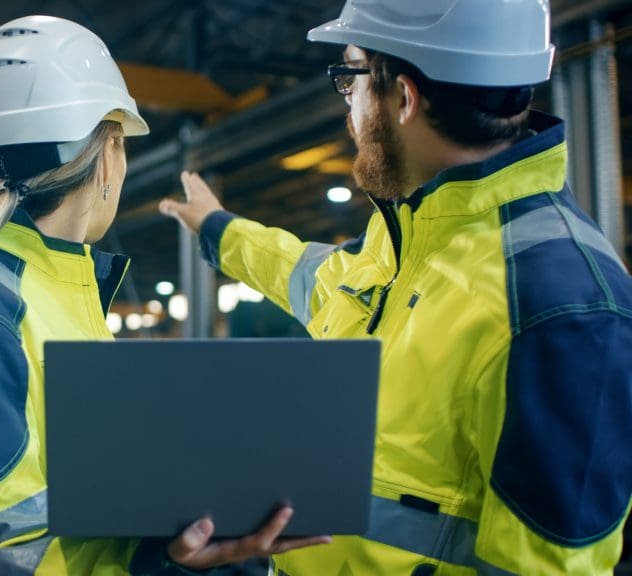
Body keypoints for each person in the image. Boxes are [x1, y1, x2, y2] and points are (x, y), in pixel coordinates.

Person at [0, 15, 329, 576]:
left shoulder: (53, 287)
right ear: (108, 152)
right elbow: (6, 552)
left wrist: (169, 549)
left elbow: (74, 500)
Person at [160, 0, 632, 574]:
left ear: (404, 97)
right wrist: (216, 227)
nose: (349, 104)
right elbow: (308, 275)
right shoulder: (410, 237)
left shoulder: (558, 309)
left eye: (350, 78)